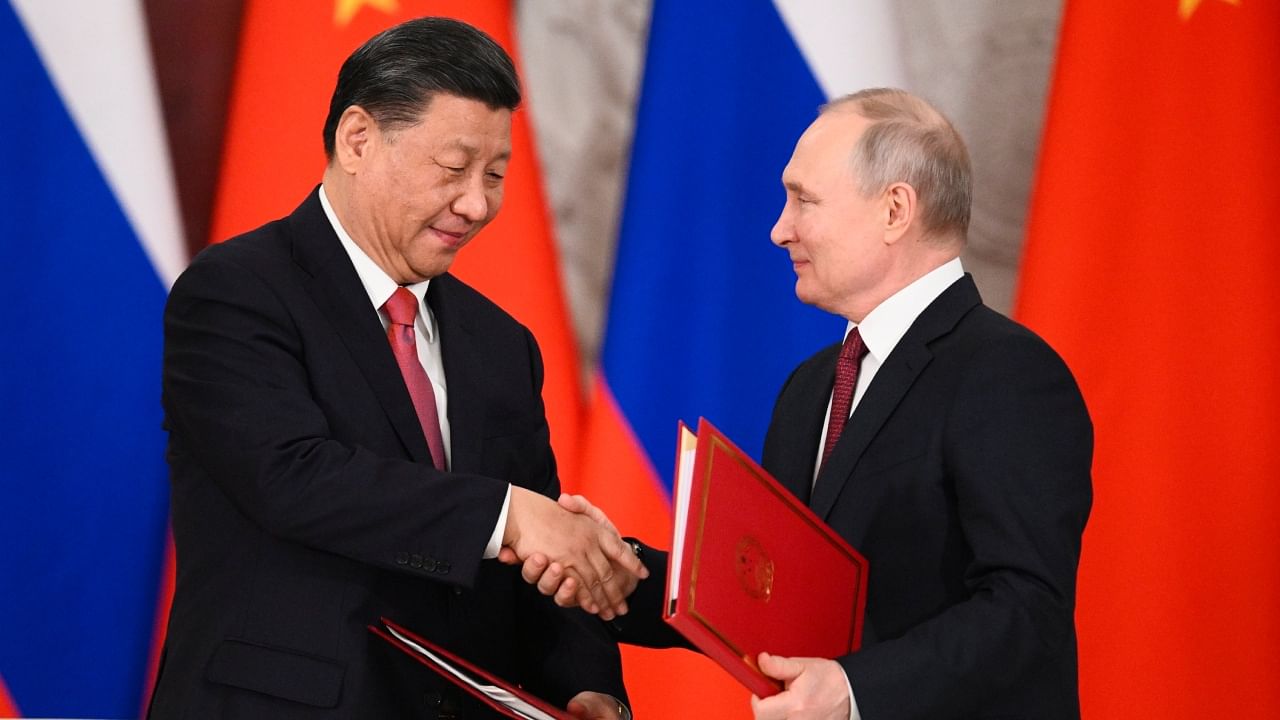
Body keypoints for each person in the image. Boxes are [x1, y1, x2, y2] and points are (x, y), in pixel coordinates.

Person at [518, 88, 1093, 720]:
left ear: (895, 210)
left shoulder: (1008, 372)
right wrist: (621, 569)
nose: (778, 228)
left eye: (804, 200)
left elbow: (1026, 609)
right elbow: (769, 592)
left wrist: (853, 690)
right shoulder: (811, 386)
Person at [149, 17, 645, 720]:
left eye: (496, 175)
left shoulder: (501, 343)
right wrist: (509, 519)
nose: (477, 204)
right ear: (358, 140)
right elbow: (293, 478)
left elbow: (537, 562)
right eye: (454, 168)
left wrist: (586, 686)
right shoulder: (235, 291)